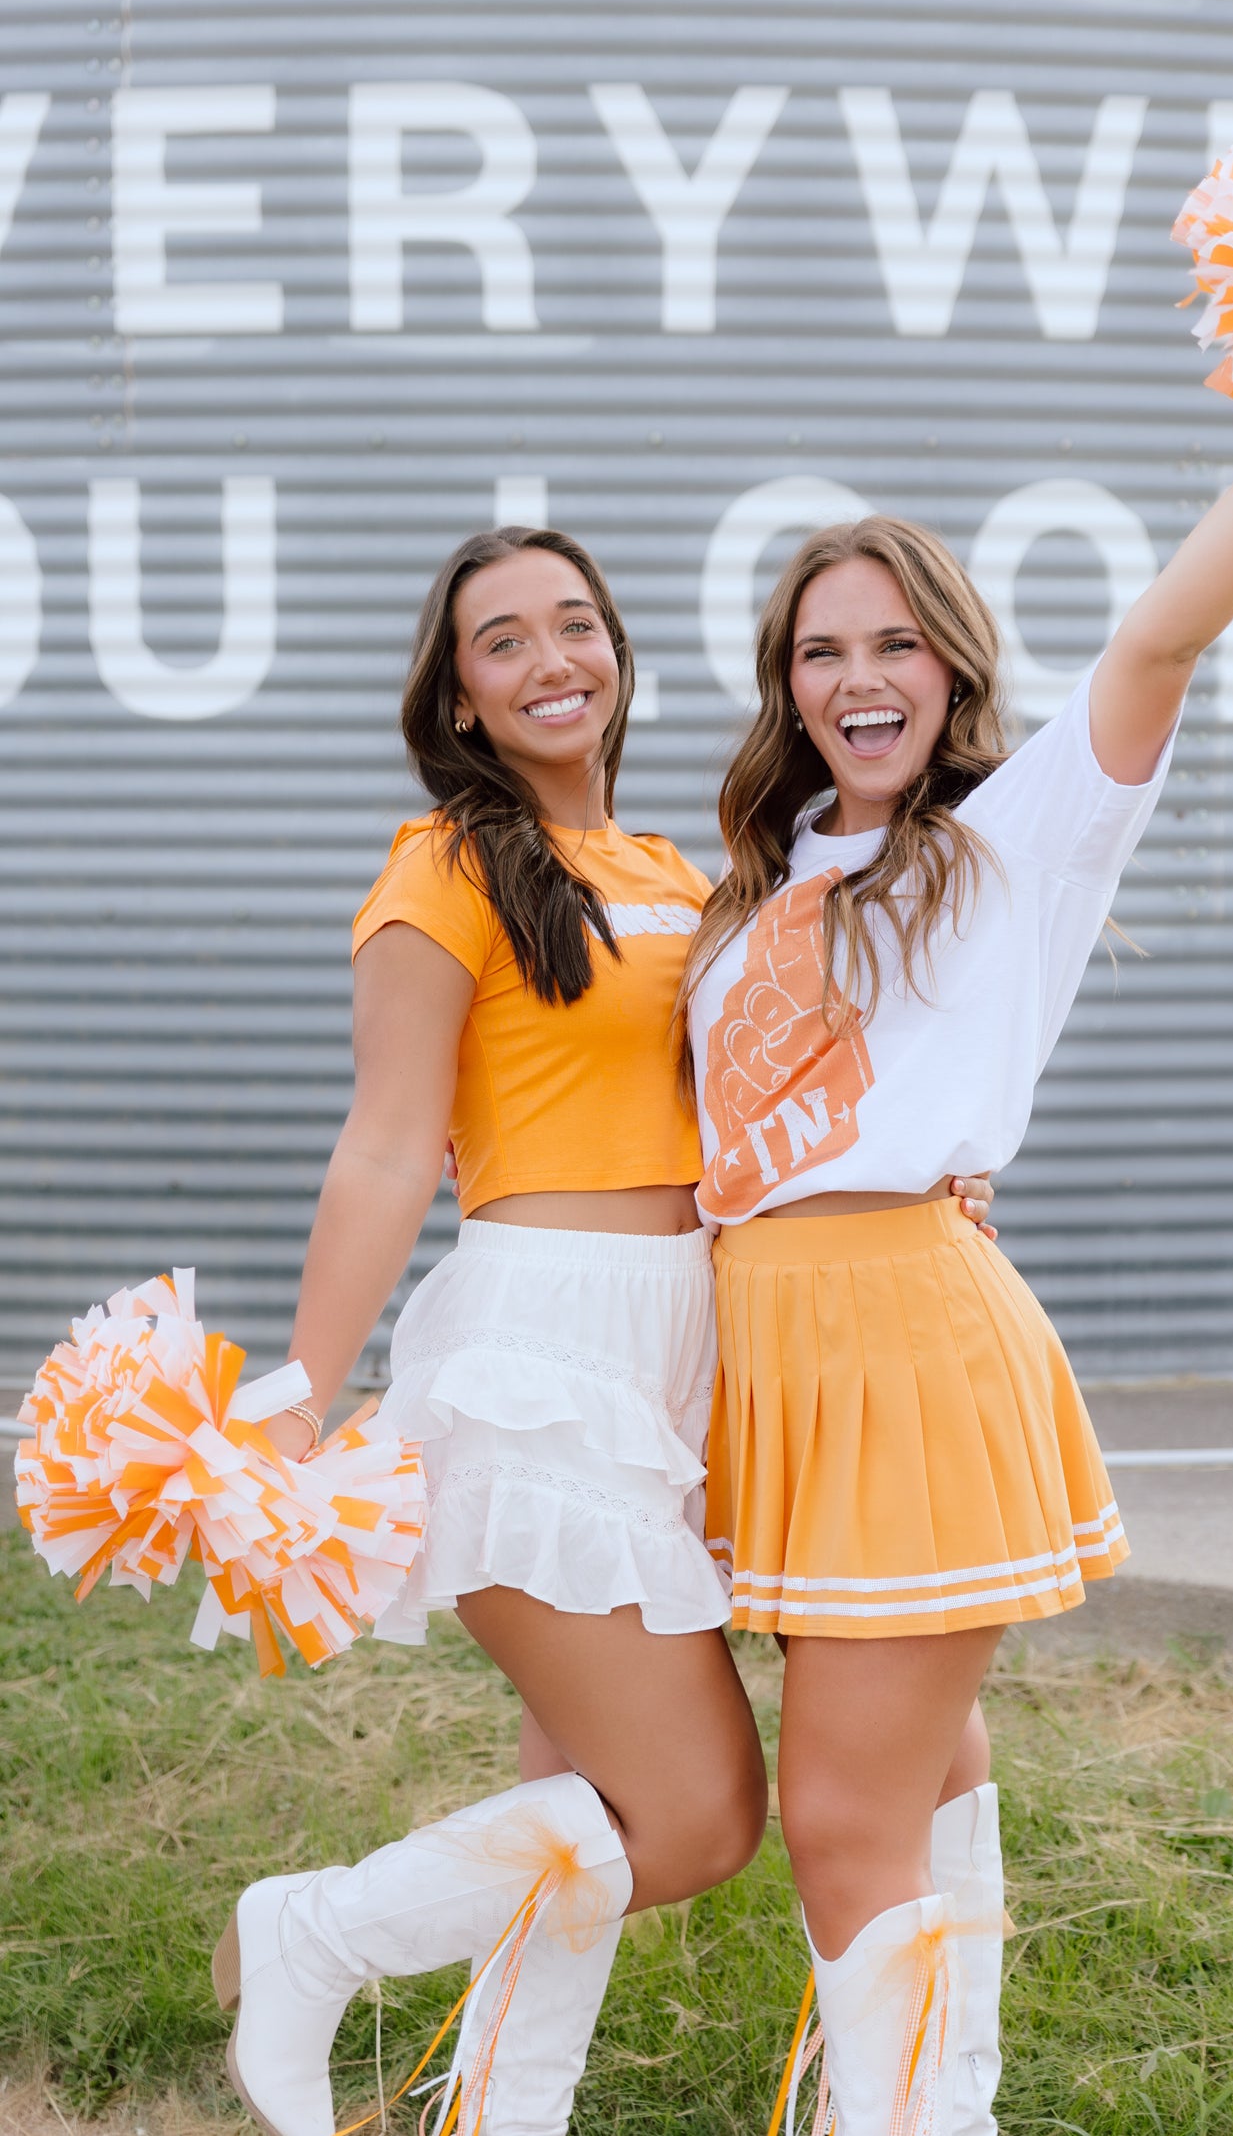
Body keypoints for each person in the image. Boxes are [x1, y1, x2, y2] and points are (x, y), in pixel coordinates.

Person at [211, 523, 997, 2136]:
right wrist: (302, 1387)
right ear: (463, 697)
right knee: (697, 1817)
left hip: (699, 1360)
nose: (552, 658)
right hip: (541, 1351)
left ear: (620, 654)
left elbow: (791, 1096)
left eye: (577, 623)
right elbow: (381, 1143)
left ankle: (500, 2109)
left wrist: (931, 1174)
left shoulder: (686, 876)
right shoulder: (443, 865)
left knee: (577, 1793)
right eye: (503, 641)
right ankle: (316, 1934)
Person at [682, 445, 1233, 2133]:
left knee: (834, 1814)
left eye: (893, 643)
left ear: (949, 664)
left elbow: (1156, 647)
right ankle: (941, 2090)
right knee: (921, 1767)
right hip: (774, 1356)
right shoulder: (753, 894)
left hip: (902, 1334)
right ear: (786, 691)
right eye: (820, 651)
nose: (857, 677)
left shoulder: (1009, 840)